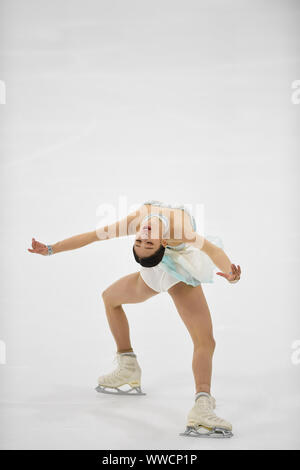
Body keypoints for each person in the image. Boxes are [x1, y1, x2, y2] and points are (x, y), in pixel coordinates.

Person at [28, 199, 241, 438]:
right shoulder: (159, 228)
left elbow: (212, 251)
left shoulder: (156, 227)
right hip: (163, 275)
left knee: (201, 339)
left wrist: (231, 276)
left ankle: (182, 394)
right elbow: (92, 237)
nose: (143, 236)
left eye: (143, 242)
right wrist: (50, 249)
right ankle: (142, 373)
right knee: (113, 300)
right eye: (144, 242)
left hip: (164, 275)